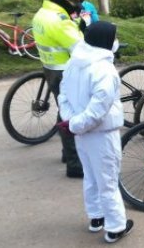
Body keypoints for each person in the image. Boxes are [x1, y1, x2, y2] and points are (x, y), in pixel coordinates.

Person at [57, 21, 134, 243]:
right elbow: (97, 111)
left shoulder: (74, 62)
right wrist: (76, 124)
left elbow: (63, 94)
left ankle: (96, 217)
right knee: (108, 180)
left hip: (81, 133)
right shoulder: (105, 71)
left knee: (91, 177)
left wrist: (71, 121)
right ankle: (116, 227)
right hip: (102, 134)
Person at [31, 0, 84, 178]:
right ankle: (74, 163)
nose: (77, 6)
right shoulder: (61, 21)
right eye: (75, 3)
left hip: (49, 67)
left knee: (63, 108)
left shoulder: (42, 13)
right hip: (65, 71)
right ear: (67, 2)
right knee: (69, 115)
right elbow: (81, 48)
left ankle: (66, 152)